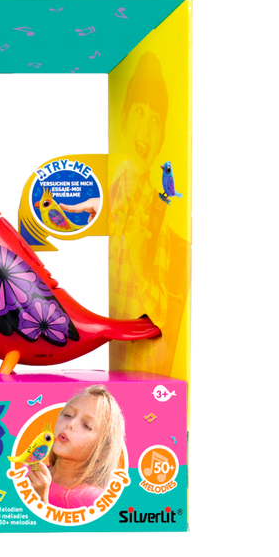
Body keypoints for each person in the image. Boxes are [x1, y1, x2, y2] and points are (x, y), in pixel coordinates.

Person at [108, 51, 189, 375]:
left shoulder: (156, 211)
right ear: (124, 120)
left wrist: (138, 256)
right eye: (139, 112)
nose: (146, 127)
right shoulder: (110, 186)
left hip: (135, 368)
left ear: (162, 138)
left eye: (156, 119)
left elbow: (159, 318)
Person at [28, 385, 125, 508]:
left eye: (87, 425)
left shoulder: (95, 501)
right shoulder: (27, 472)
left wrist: (40, 501)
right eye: (67, 415)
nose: (71, 423)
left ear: (103, 452)